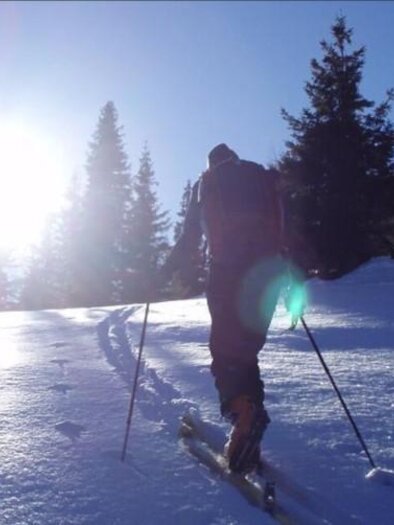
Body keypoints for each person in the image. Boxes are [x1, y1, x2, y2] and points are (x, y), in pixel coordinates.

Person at [163, 143, 304, 474]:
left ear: (211, 163)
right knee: (246, 353)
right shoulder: (263, 181)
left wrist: (165, 269)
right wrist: (293, 277)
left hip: (227, 271)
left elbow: (189, 236)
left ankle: (243, 416)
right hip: (269, 272)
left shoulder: (208, 182)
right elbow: (289, 230)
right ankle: (246, 431)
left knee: (225, 353)